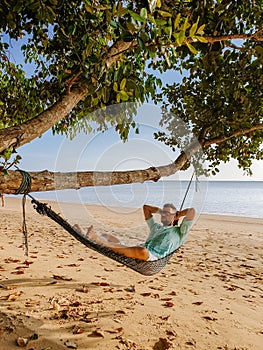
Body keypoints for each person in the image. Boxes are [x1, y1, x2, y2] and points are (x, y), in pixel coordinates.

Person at [74, 203, 195, 261]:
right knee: (108, 236)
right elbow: (146, 208)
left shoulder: (180, 232)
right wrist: (161, 211)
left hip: (152, 257)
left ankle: (96, 239)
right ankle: (86, 234)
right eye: (164, 213)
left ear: (175, 217)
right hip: (136, 248)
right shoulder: (156, 227)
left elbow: (192, 211)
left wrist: (178, 214)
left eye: (168, 213)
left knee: (141, 251)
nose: (165, 215)